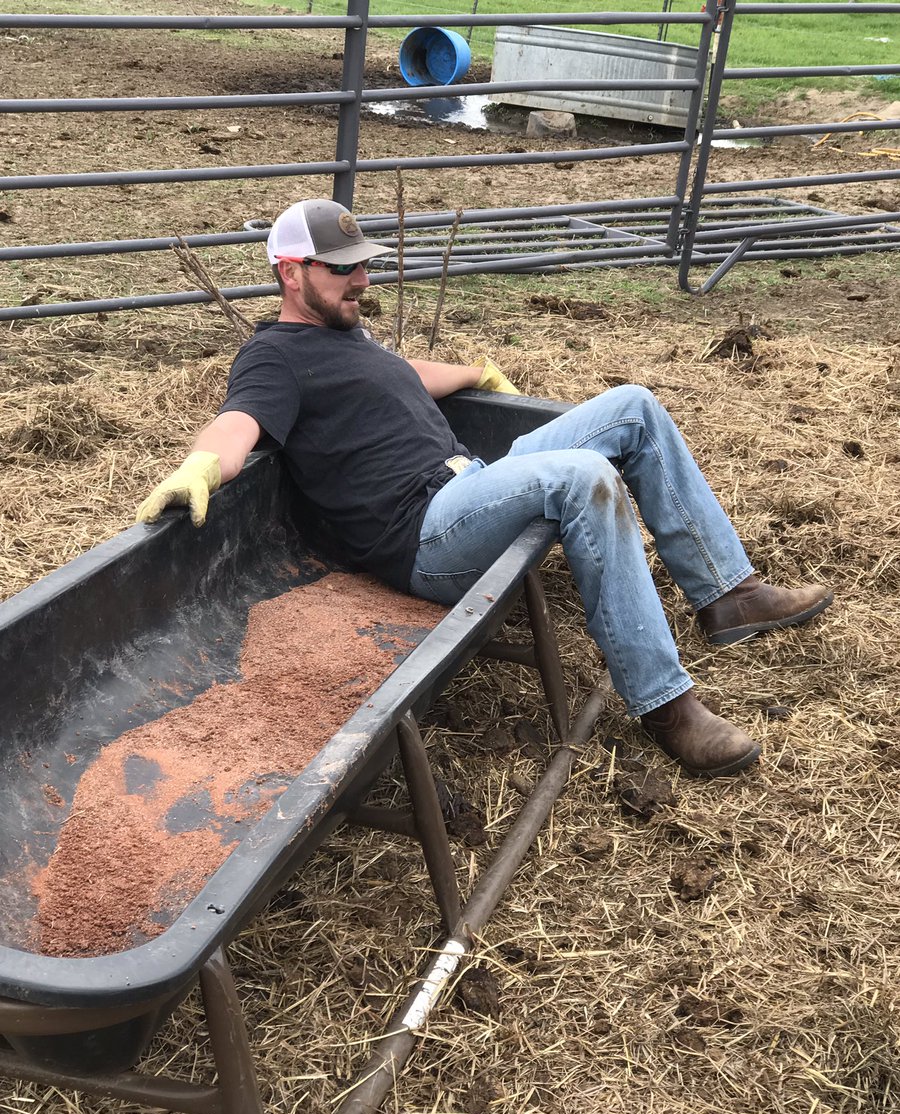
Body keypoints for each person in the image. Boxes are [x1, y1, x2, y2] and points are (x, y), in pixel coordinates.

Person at [137, 199, 833, 778]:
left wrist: (474, 373)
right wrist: (202, 465)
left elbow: (403, 374)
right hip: (424, 533)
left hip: (468, 481)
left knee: (633, 406)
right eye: (343, 269)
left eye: (365, 265)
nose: (362, 280)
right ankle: (666, 706)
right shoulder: (273, 356)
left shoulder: (348, 337)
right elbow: (240, 419)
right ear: (291, 273)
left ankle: (729, 595)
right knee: (583, 476)